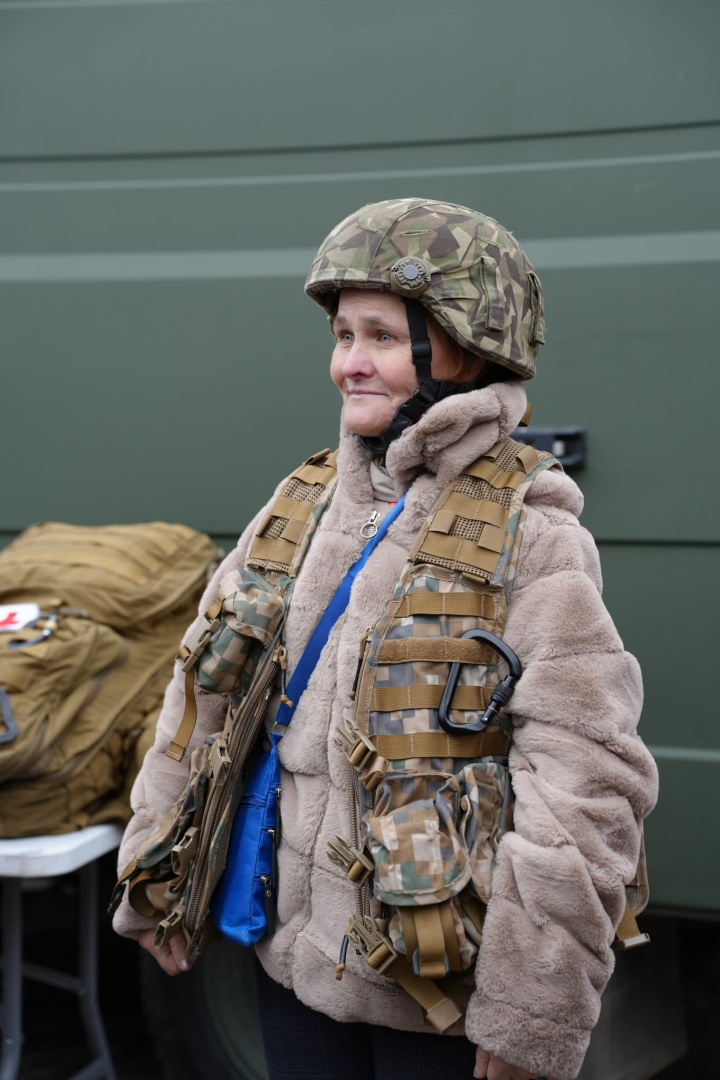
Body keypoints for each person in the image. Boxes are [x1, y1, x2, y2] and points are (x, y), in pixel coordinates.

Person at [113, 198, 658, 1080]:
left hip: (433, 995)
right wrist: (154, 877)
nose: (349, 363)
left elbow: (585, 783)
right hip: (286, 964)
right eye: (342, 335)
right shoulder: (302, 503)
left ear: (464, 349)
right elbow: (201, 695)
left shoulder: (535, 535)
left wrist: (532, 1006)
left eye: (381, 337)